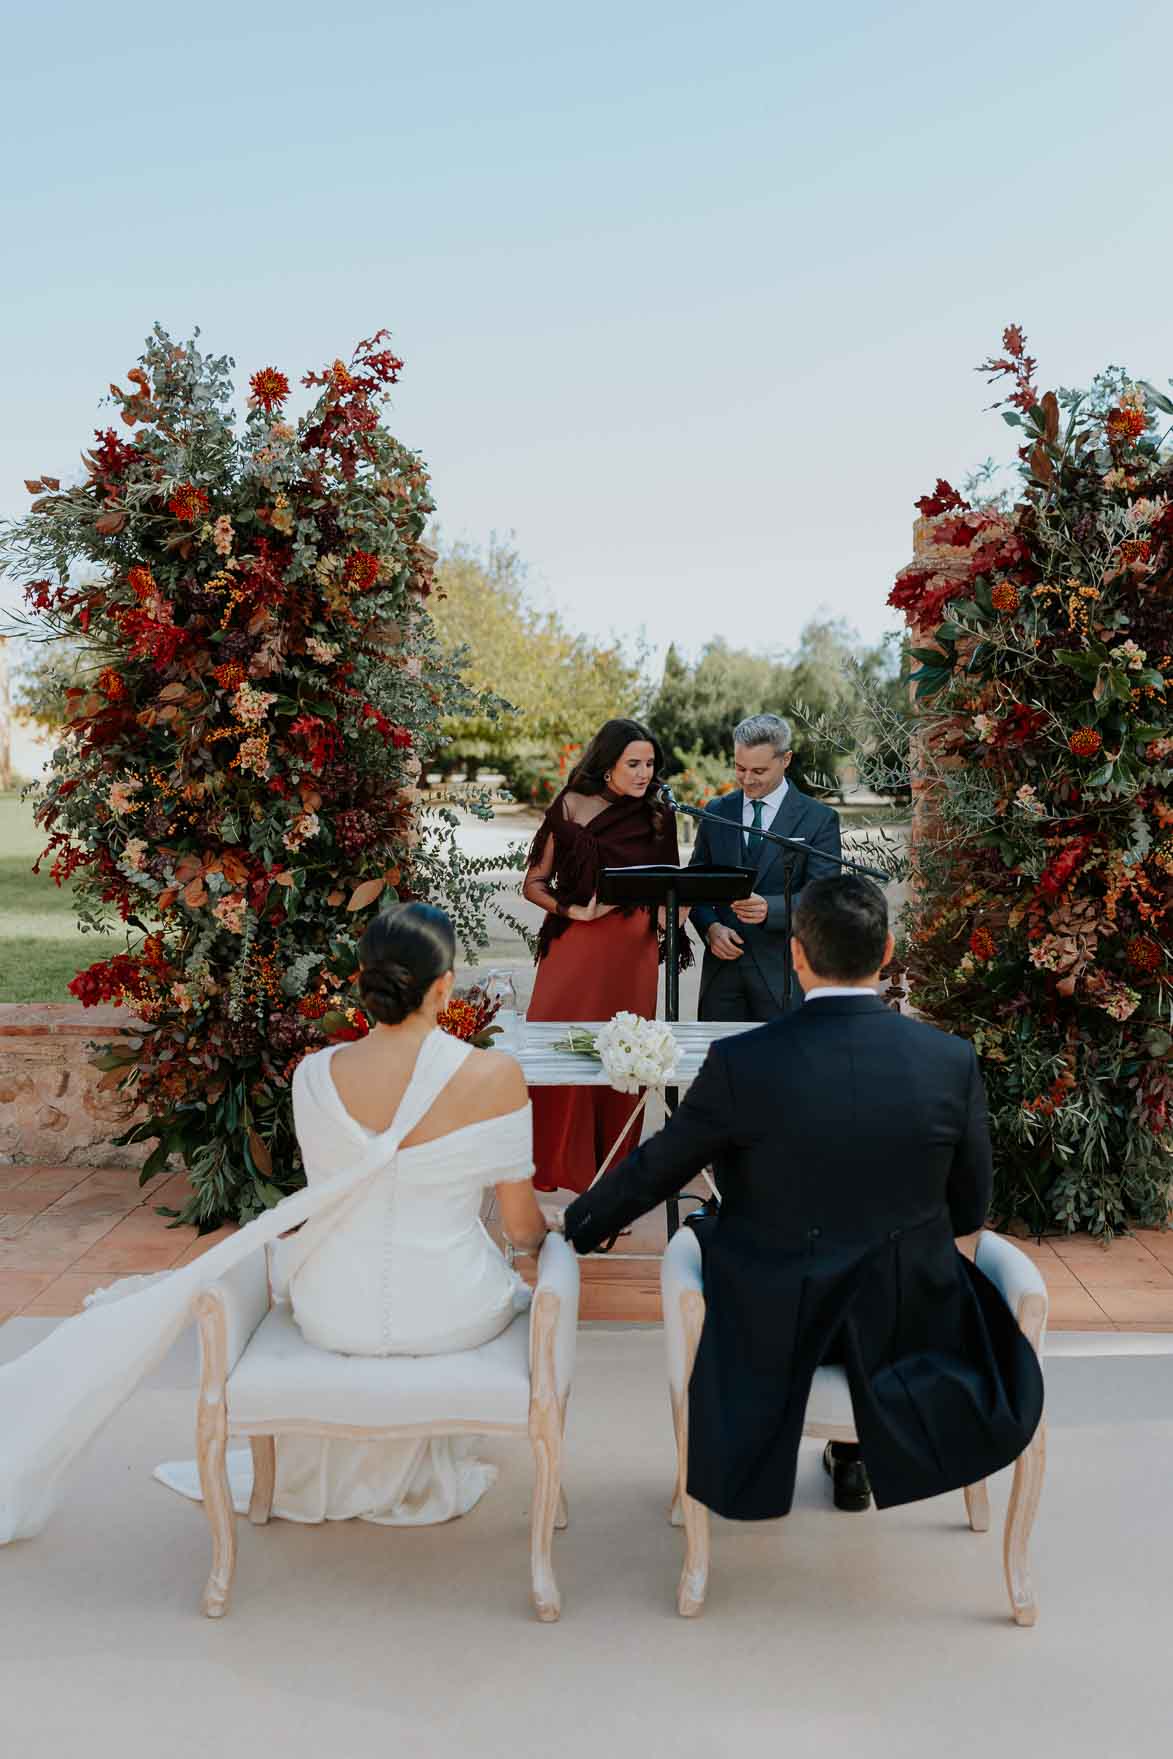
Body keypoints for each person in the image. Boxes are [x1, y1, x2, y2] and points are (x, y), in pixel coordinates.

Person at [0, 903, 550, 1542]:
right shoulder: (495, 1074)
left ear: (360, 981)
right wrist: (550, 1241)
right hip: (453, 1312)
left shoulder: (314, 1076)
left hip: (332, 1310)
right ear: (445, 985)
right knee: (507, 1286)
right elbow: (521, 1229)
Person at [559, 875, 1044, 1521]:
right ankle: (855, 1457)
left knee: (712, 1227)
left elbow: (657, 1167)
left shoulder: (742, 1061)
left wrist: (575, 1226)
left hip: (773, 1322)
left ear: (794, 953)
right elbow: (966, 1206)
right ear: (887, 949)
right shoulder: (947, 1060)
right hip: (907, 1327)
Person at [522, 717, 687, 1194]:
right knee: (565, 1055)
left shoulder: (660, 813)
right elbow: (533, 884)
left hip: (632, 957)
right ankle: (555, 1174)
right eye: (632, 763)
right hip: (575, 951)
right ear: (607, 764)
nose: (643, 773)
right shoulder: (571, 805)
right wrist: (576, 910)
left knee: (624, 1064)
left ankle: (611, 1185)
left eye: (650, 764)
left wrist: (670, 919)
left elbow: (669, 887)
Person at [687, 713, 842, 1020]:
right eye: (739, 768)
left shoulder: (818, 819)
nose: (746, 779)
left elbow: (824, 900)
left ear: (786, 759)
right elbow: (695, 882)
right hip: (722, 978)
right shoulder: (717, 811)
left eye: (758, 770)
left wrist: (772, 909)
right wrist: (710, 928)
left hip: (783, 975)